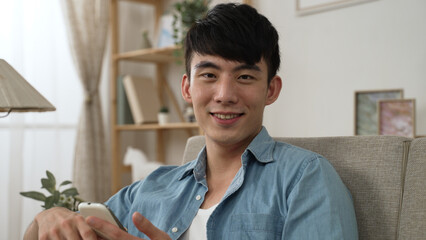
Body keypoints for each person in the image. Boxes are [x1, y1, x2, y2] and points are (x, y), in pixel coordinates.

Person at [25, 3, 358, 240]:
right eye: (209, 75)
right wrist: (47, 218)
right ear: (187, 87)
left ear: (271, 89)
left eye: (244, 76)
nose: (225, 94)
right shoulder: (153, 187)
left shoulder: (305, 179)